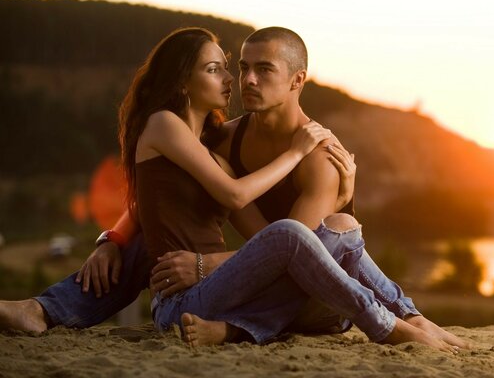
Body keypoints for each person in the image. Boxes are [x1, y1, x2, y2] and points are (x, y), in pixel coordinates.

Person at [0, 27, 467, 352]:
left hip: (308, 297)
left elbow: (289, 247)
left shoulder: (321, 160)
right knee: (152, 245)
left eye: (261, 70)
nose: (243, 81)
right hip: (218, 292)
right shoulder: (218, 140)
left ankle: (395, 318)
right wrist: (113, 238)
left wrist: (203, 265)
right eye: (235, 68)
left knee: (337, 227)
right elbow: (169, 196)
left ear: (297, 81)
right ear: (185, 80)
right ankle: (42, 311)